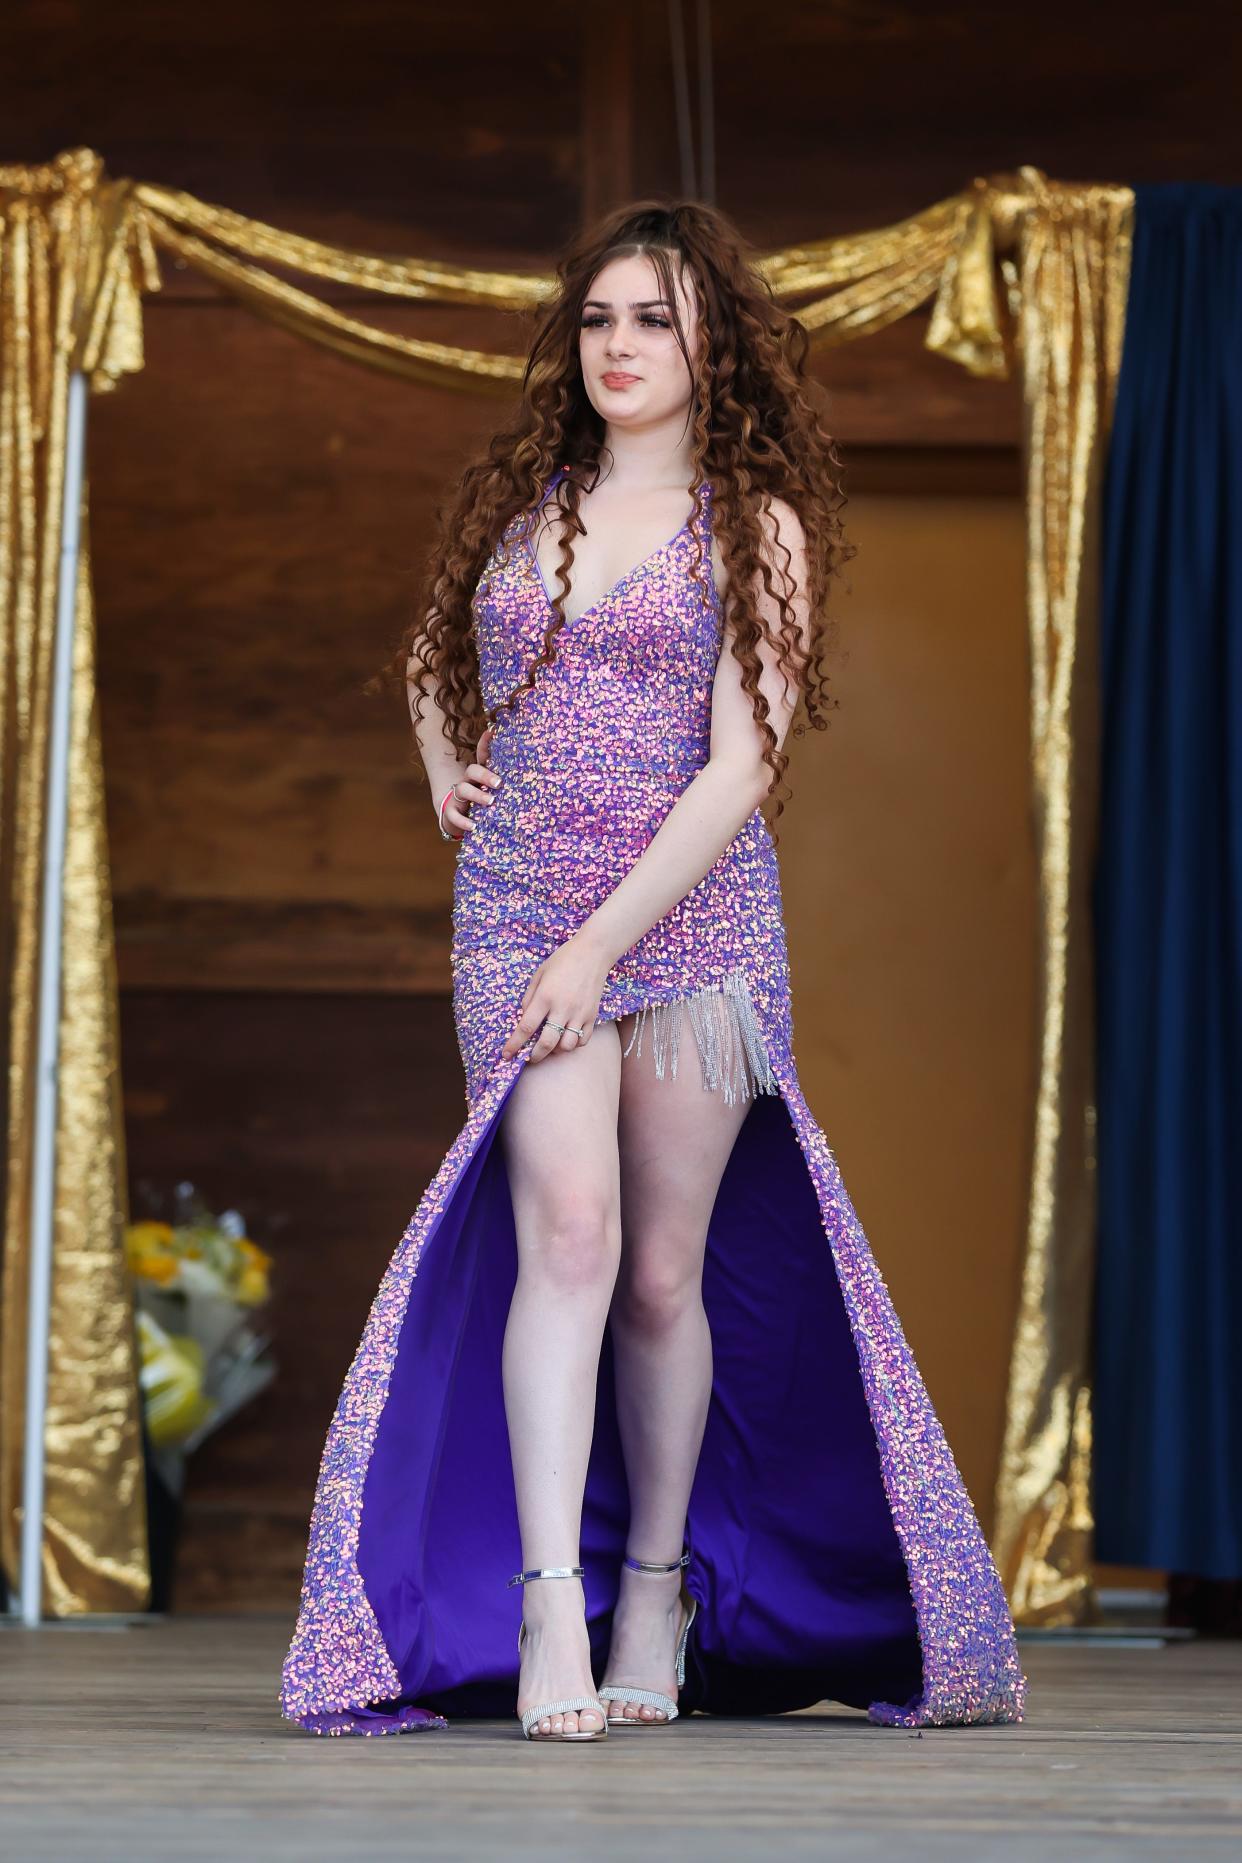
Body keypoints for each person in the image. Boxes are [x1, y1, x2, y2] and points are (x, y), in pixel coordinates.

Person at [280, 199, 1026, 1743]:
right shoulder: (526, 506)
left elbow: (741, 770)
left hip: (687, 926)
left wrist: (600, 947)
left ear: (714, 353)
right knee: (566, 1232)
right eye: (602, 320)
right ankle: (549, 1596)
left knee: (665, 1272)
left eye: (655, 322)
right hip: (511, 911)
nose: (620, 347)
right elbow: (430, 653)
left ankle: (651, 1588)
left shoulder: (750, 525)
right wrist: (443, 768)